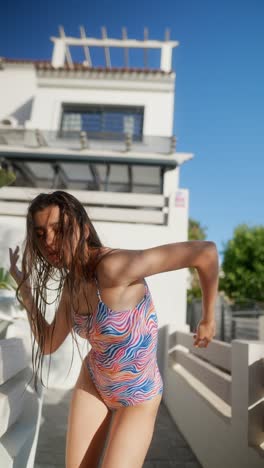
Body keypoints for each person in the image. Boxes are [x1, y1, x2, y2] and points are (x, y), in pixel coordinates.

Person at [8, 190, 218, 468]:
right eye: (40, 233)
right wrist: (26, 293)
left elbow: (205, 253)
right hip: (94, 381)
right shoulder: (72, 287)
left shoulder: (114, 266)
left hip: (139, 395)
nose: (48, 241)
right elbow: (47, 343)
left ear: (83, 230)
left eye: (58, 229)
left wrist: (208, 319)